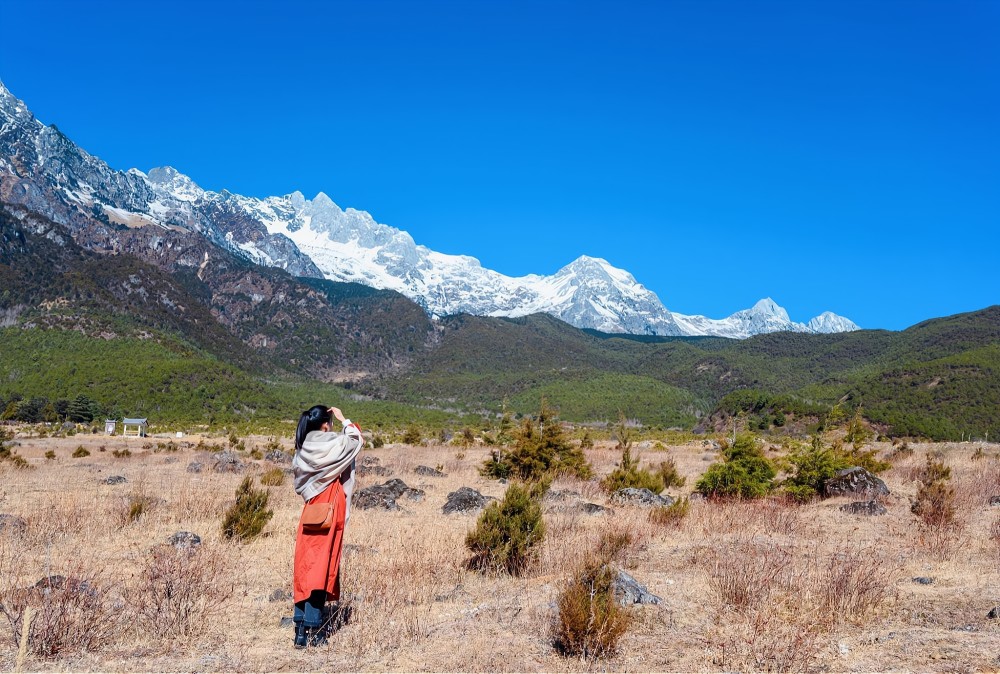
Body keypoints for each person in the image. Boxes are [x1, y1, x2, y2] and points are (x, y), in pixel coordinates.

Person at [291, 405, 363, 648]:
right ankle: (314, 629)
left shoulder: (303, 447)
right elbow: (355, 440)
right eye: (330, 422)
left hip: (311, 507)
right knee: (322, 564)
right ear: (325, 424)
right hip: (330, 505)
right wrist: (345, 418)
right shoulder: (330, 442)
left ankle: (300, 629)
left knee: (305, 565)